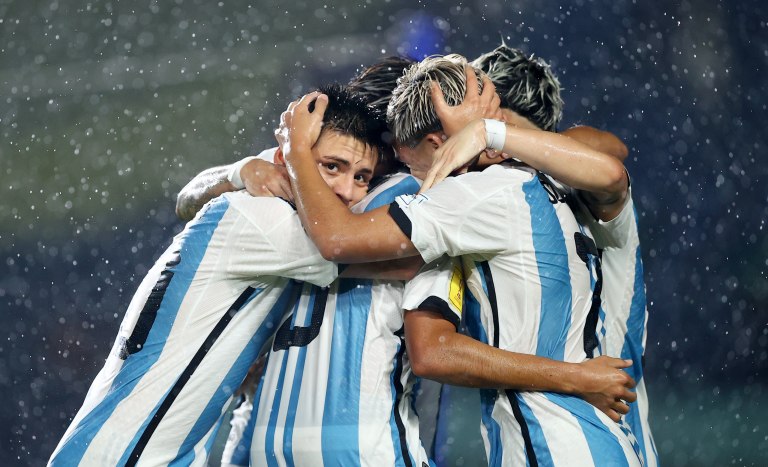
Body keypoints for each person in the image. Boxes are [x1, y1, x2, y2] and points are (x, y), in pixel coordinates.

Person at [177, 57, 637, 466]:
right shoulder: (430, 199)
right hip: (373, 442)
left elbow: (190, 201)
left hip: (263, 439)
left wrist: (244, 172)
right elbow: (430, 347)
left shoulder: (303, 177)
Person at [48, 84, 390, 466]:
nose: (347, 191)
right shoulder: (271, 223)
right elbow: (398, 256)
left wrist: (239, 170)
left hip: (117, 448)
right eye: (332, 167)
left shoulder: (252, 202)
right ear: (288, 158)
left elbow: (187, 199)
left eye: (362, 177)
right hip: (128, 456)